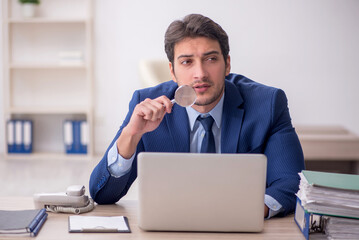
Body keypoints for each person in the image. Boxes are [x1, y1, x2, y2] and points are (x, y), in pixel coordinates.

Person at [89, 13, 305, 218]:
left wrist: (249, 211)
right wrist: (132, 134)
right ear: (172, 71)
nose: (200, 73)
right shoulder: (146, 106)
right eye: (186, 62)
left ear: (227, 64)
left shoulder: (267, 104)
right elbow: (103, 195)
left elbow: (290, 182)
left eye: (211, 59)